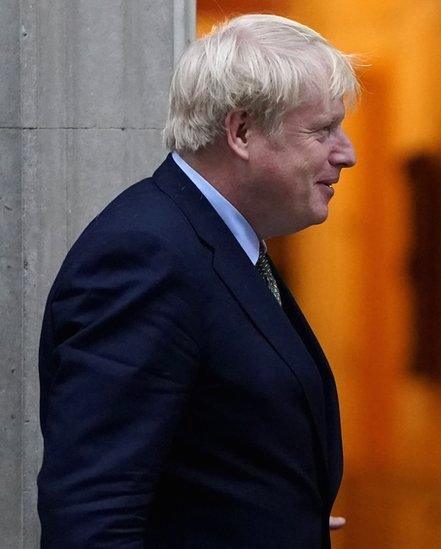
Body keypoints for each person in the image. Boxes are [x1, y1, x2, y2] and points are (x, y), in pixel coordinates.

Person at [37, 14, 357, 548]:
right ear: (242, 132)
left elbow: (212, 462)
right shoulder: (147, 255)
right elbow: (94, 512)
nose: (345, 153)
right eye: (322, 130)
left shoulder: (219, 241)